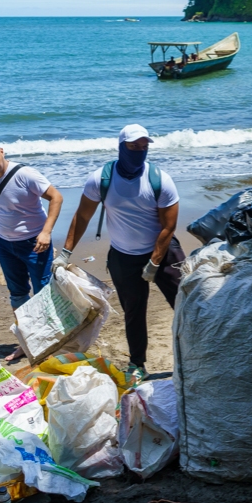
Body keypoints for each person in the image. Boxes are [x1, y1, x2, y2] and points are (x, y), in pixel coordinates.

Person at [56, 124, 183, 376]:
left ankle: (197, 355)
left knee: (186, 305)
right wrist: (65, 254)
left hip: (163, 253)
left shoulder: (160, 180)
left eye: (144, 147)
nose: (139, 152)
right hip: (123, 257)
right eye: (133, 146)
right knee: (134, 313)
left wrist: (155, 262)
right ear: (121, 147)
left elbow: (169, 227)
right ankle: (137, 365)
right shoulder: (100, 179)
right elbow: (82, 216)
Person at [0, 136, 63, 358]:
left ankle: (49, 340)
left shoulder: (25, 174)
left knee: (43, 293)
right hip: (5, 244)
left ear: (1, 151)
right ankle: (28, 342)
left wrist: (46, 232)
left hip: (35, 243)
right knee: (18, 295)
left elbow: (56, 197)